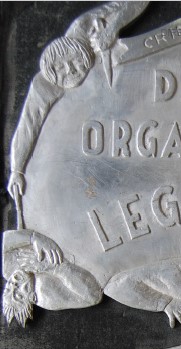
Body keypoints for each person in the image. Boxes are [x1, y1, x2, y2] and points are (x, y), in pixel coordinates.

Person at [7, 2, 149, 204]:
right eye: (61, 69)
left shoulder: (85, 26)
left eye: (74, 61)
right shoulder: (46, 85)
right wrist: (17, 170)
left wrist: (112, 27)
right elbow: (27, 126)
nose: (71, 70)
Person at [2, 230, 102, 326]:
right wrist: (55, 267)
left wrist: (33, 237)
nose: (13, 285)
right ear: (32, 297)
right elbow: (93, 296)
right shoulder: (45, 296)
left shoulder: (7, 269)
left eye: (8, 290)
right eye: (18, 294)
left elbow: (5, 239)